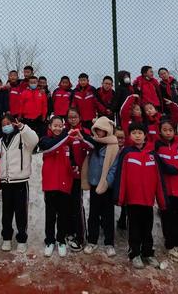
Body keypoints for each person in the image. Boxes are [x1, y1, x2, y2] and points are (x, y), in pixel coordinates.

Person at [113, 122, 166, 269]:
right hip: (133, 199)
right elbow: (121, 175)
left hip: (148, 200)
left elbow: (159, 179)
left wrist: (161, 200)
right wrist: (120, 196)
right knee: (134, 228)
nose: (137, 135)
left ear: (145, 136)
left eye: (140, 133)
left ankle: (148, 253)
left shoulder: (152, 154)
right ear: (129, 136)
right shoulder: (126, 153)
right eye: (134, 132)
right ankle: (134, 253)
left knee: (147, 228)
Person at [0, 114, 39, 253]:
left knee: (21, 211)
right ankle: (7, 238)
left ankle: (22, 239)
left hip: (20, 181)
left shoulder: (23, 136)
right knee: (6, 212)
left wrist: (22, 127)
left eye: (8, 123)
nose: (6, 126)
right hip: (6, 182)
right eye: (3, 124)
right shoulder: (1, 140)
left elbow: (34, 140)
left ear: (14, 123)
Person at [155, 119, 178, 262]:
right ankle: (169, 244)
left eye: (170, 130)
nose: (168, 133)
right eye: (165, 130)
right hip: (165, 188)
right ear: (160, 131)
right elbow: (158, 162)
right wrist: (167, 168)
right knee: (167, 216)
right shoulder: (157, 146)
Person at [82, 116, 119, 257]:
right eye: (96, 129)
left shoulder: (113, 145)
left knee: (108, 215)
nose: (98, 132)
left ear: (108, 131)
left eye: (102, 130)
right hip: (94, 185)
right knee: (93, 214)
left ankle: (109, 243)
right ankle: (92, 240)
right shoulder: (93, 144)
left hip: (106, 187)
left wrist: (106, 183)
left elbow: (113, 168)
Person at [38, 116, 74, 258]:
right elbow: (51, 146)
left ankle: (61, 240)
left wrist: (74, 166)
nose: (58, 128)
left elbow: (72, 159)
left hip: (64, 182)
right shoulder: (45, 140)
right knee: (50, 214)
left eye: (60, 126)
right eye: (55, 125)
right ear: (50, 126)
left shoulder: (68, 142)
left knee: (63, 214)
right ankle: (49, 240)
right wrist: (67, 136)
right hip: (50, 183)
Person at [65, 107, 94, 251]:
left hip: (79, 176)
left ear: (80, 118)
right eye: (70, 117)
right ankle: (69, 231)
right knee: (67, 205)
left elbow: (92, 147)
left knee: (77, 205)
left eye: (75, 117)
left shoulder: (85, 132)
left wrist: (82, 139)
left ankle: (81, 237)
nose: (72, 120)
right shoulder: (65, 133)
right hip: (66, 176)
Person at [114, 129, 127, 230]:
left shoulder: (127, 150)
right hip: (111, 179)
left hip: (123, 179)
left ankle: (123, 219)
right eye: (118, 137)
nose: (120, 140)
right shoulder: (109, 149)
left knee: (125, 203)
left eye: (122, 138)